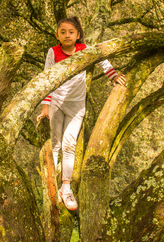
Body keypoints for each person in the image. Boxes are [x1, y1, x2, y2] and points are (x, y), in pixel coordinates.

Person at [37, 16, 126, 211]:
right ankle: (51, 185)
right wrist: (45, 106)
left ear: (78, 35)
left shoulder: (84, 50)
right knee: (55, 144)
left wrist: (113, 75)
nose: (67, 35)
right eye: (63, 32)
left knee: (69, 145)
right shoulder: (53, 52)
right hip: (57, 103)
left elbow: (102, 59)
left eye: (71, 32)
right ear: (57, 35)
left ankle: (66, 188)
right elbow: (46, 76)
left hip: (76, 105)